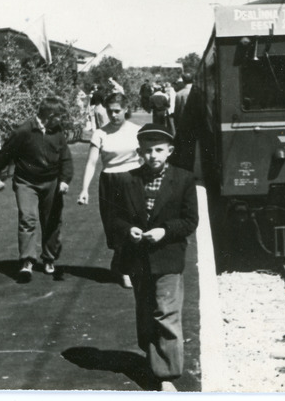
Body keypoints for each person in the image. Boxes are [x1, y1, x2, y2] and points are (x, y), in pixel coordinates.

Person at [109, 123, 198, 392]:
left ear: (170, 151)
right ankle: (153, 358)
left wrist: (165, 231)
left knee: (166, 313)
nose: (153, 155)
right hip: (139, 259)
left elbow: (190, 220)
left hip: (168, 257)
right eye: (147, 151)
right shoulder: (127, 180)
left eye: (159, 150)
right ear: (139, 152)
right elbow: (116, 217)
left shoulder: (183, 179)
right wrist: (128, 230)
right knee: (146, 312)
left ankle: (166, 375)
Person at [0, 96, 73, 281]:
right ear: (50, 115)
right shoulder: (24, 131)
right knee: (28, 218)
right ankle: (27, 261)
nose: (61, 120)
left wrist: (65, 180)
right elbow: (5, 153)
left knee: (52, 220)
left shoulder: (57, 131)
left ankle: (49, 258)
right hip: (27, 182)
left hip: (51, 182)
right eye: (59, 116)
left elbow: (65, 157)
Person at [76, 92, 141, 289]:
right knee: (114, 225)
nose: (113, 115)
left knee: (133, 223)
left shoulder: (137, 131)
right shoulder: (100, 133)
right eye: (110, 111)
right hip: (110, 183)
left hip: (133, 179)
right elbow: (92, 163)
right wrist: (84, 189)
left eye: (117, 111)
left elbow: (146, 157)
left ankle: (126, 269)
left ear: (126, 109)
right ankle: (121, 262)